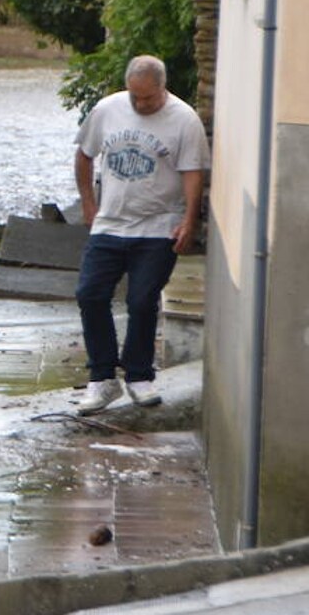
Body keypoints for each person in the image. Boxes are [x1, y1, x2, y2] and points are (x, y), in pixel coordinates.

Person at [71, 55, 208, 415]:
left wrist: (189, 220)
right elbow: (84, 156)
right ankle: (102, 378)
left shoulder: (184, 120)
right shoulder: (107, 110)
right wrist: (89, 204)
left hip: (159, 225)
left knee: (142, 300)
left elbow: (193, 172)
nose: (141, 104)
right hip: (111, 222)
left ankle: (138, 375)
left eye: (148, 98)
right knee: (90, 294)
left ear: (163, 87)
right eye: (135, 97)